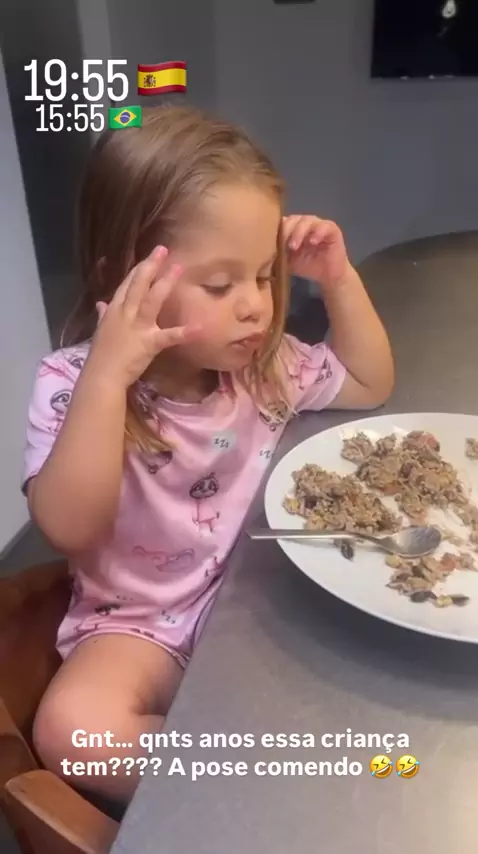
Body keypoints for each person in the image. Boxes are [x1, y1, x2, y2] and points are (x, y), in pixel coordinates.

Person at [22, 104, 394, 805]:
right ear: (122, 280)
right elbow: (69, 526)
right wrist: (108, 378)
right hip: (138, 623)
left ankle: (271, 763)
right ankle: (263, 778)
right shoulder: (72, 383)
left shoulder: (263, 367)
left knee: (369, 674)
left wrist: (338, 279)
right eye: (221, 286)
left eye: (264, 276)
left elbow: (370, 382)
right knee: (73, 731)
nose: (255, 306)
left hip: (262, 596)